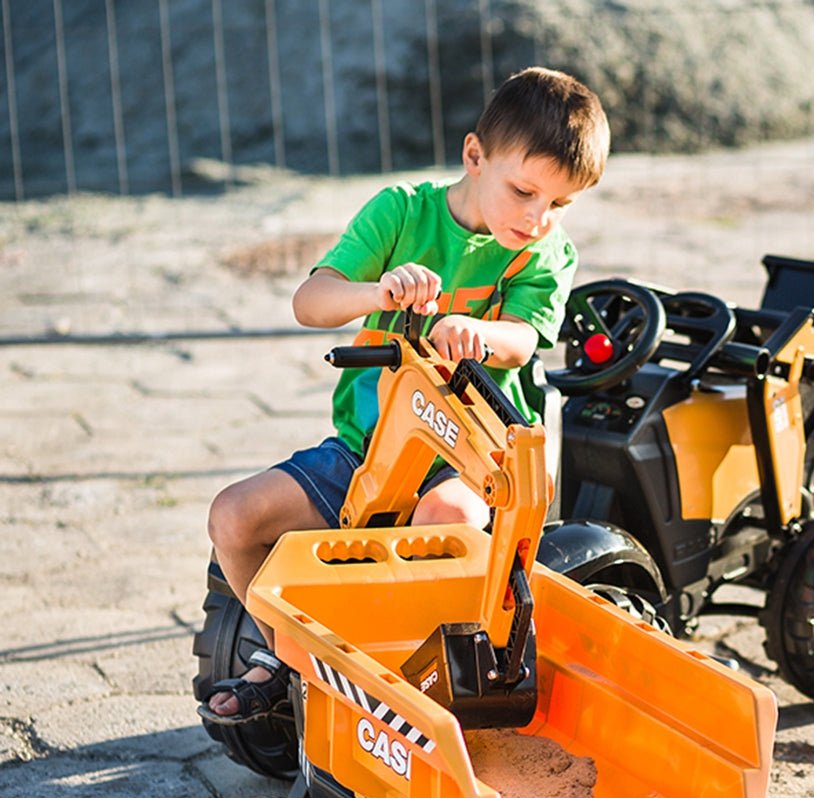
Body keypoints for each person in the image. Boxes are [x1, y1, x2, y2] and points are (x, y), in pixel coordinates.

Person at [199, 66, 610, 725]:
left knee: (441, 523)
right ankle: (291, 658)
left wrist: (478, 329)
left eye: (559, 205)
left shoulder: (543, 255)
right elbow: (311, 302)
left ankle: (405, 685)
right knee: (235, 517)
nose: (538, 219)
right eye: (525, 191)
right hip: (369, 447)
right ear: (474, 156)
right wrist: (377, 292)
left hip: (477, 456)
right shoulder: (400, 214)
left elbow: (523, 342)